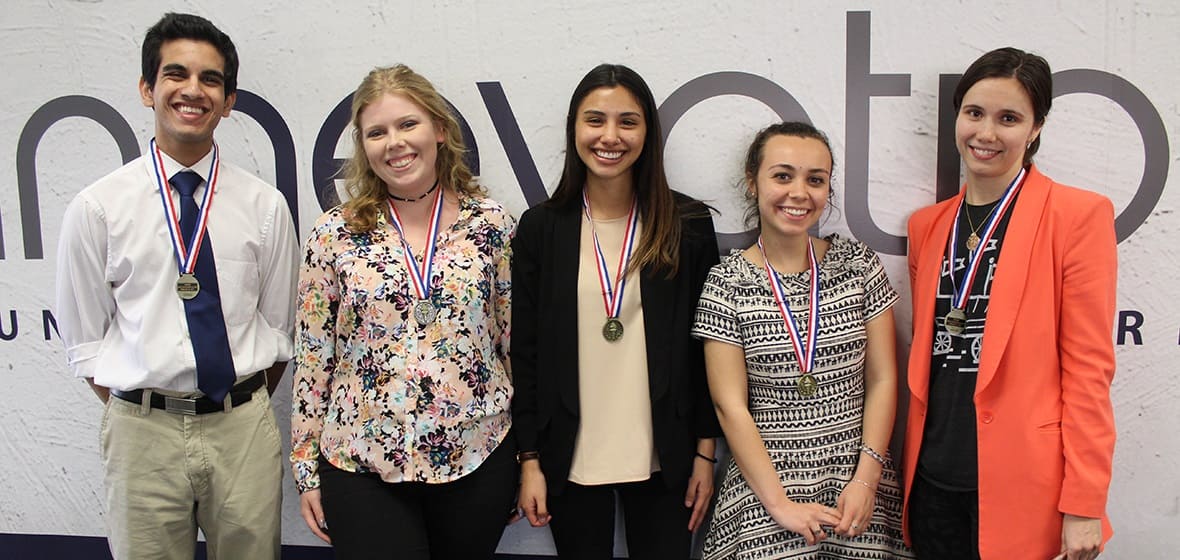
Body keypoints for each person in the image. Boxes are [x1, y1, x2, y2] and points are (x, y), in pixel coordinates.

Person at [54, 12, 298, 560]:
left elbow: (278, 330)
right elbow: (87, 344)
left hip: (241, 429)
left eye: (211, 79)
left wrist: (232, 399)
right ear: (148, 89)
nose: (193, 90)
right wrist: (151, 403)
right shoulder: (99, 208)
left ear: (229, 99)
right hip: (142, 435)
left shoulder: (265, 207)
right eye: (176, 74)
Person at [290, 64, 516, 560]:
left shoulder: (491, 225)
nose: (394, 142)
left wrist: (527, 456)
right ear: (364, 146)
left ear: (439, 129)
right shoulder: (335, 233)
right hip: (361, 465)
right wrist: (305, 465)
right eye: (377, 132)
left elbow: (511, 342)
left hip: (477, 457)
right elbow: (313, 359)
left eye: (407, 124)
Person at [903, 47, 1117, 560]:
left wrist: (1085, 502)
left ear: (1036, 128)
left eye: (1009, 119)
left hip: (1024, 487)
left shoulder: (1077, 216)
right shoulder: (927, 226)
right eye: (974, 113)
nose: (986, 134)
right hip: (932, 479)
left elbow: (1088, 370)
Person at [512, 63, 721, 559]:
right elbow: (525, 352)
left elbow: (705, 351)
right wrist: (529, 460)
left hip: (666, 458)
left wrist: (704, 453)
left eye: (628, 121)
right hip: (569, 457)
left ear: (648, 131)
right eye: (595, 120)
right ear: (574, 129)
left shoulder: (685, 224)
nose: (610, 136)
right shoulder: (541, 228)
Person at [692, 122, 912, 559]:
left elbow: (885, 379)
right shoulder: (726, 282)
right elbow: (728, 405)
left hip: (858, 487)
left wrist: (865, 480)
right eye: (782, 175)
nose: (799, 192)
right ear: (753, 182)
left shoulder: (858, 264)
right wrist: (779, 504)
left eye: (815, 180)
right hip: (765, 495)